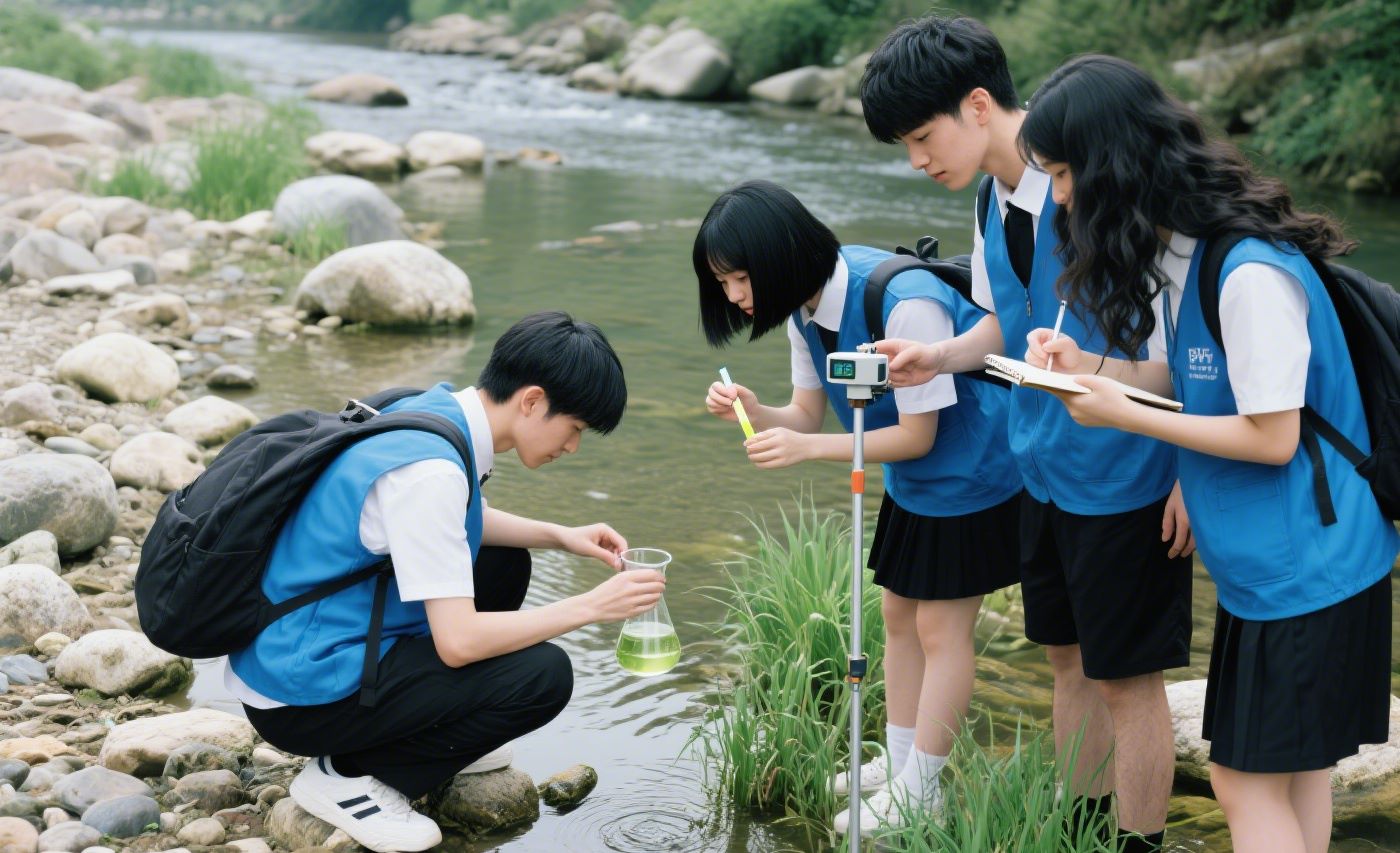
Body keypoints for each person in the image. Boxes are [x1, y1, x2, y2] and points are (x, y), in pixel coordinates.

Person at [1014, 54, 1398, 853]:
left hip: (1310, 564)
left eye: (1063, 174)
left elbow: (1271, 436)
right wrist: (1091, 370)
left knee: (1243, 782)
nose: (1060, 197)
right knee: (1298, 774)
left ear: (1112, 165)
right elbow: (1185, 377)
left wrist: (1129, 416)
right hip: (1276, 563)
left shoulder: (1247, 270)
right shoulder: (1184, 253)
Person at [859, 17, 1194, 851]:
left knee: (1129, 680)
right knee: (1067, 660)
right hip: (1042, 468)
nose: (918, 160)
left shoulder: (1099, 181)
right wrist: (938, 353)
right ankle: (1081, 831)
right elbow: (1001, 324)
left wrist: (1192, 473)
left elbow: (1192, 347)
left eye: (922, 137)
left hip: (1129, 475)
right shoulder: (990, 200)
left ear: (978, 105)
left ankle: (1139, 843)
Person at [221, 311, 666, 853]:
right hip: (302, 697)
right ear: (532, 401)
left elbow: (459, 521)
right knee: (544, 676)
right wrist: (591, 606)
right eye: (574, 428)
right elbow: (459, 644)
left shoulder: (432, 411)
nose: (572, 446)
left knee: (504, 562)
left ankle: (431, 733)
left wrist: (561, 535)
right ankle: (349, 776)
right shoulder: (431, 474)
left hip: (301, 644)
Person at [694, 179, 1024, 834]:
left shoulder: (902, 302)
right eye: (723, 283)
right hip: (915, 478)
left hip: (973, 473)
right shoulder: (803, 308)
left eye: (740, 278)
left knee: (942, 629)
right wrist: (757, 411)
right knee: (899, 615)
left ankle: (923, 788)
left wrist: (807, 449)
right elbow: (805, 412)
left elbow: (917, 435)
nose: (733, 296)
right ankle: (899, 764)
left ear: (780, 255)